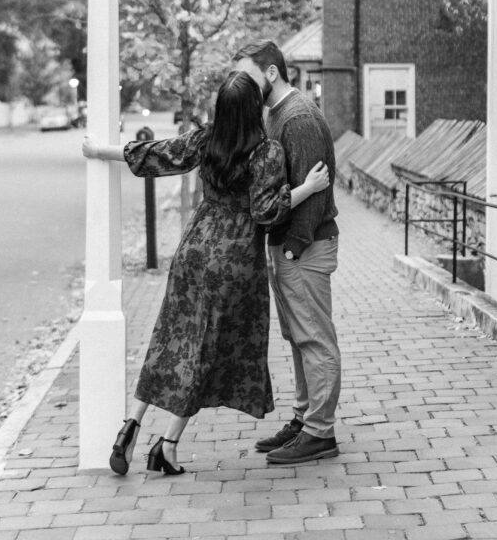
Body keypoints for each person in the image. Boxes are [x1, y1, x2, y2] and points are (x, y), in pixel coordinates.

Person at [82, 70, 329, 477]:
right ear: (254, 109)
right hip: (233, 262)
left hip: (193, 250)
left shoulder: (207, 139)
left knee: (170, 340)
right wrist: (308, 187)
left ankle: (129, 426)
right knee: (205, 354)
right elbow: (265, 211)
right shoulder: (266, 152)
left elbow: (158, 153)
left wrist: (100, 150)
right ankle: (169, 445)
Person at [234, 40, 341, 465]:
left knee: (315, 338)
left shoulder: (298, 119)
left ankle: (320, 432)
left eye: (247, 74)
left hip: (305, 247)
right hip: (289, 247)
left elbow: (317, 190)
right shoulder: (275, 114)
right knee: (299, 337)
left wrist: (293, 248)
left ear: (272, 73)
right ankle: (304, 419)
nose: (241, 83)